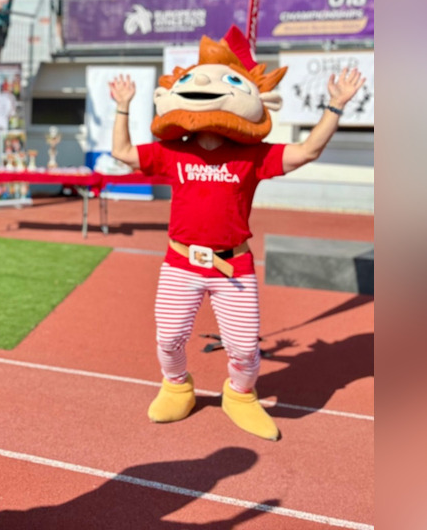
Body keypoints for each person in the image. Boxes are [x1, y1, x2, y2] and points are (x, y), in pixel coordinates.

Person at [109, 27, 365, 441]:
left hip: (233, 264)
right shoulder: (173, 151)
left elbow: (308, 151)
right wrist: (123, 107)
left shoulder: (253, 154)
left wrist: (334, 106)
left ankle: (240, 395)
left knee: (245, 348)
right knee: (169, 337)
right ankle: (177, 386)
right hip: (181, 262)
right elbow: (122, 153)